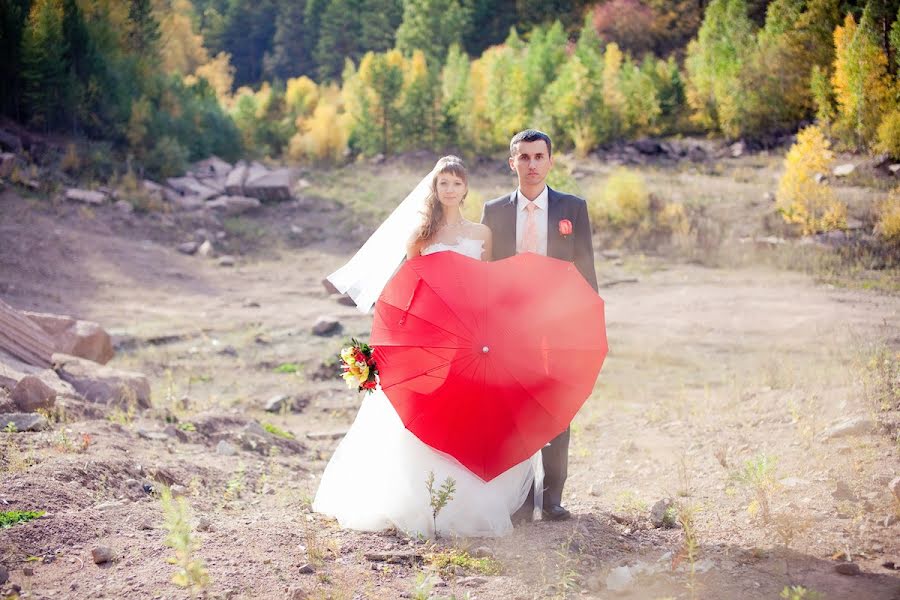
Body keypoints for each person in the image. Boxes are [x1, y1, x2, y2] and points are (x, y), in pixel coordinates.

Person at [314, 156, 535, 538]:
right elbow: (409, 287)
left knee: (468, 413)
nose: (450, 189)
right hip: (430, 336)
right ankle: (414, 500)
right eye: (443, 183)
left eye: (456, 183)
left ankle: (466, 504)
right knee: (422, 413)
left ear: (466, 188)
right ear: (434, 189)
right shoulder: (420, 235)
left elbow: (485, 286)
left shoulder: (482, 235)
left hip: (469, 339)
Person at [481, 129, 598, 522]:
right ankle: (519, 499)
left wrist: (585, 324)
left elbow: (586, 270)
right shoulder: (494, 211)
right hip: (509, 330)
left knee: (556, 410)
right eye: (524, 157)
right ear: (511, 162)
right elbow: (485, 277)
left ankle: (552, 500)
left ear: (550, 161)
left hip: (558, 327)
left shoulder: (573, 208)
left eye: (538, 157)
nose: (532, 165)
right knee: (510, 411)